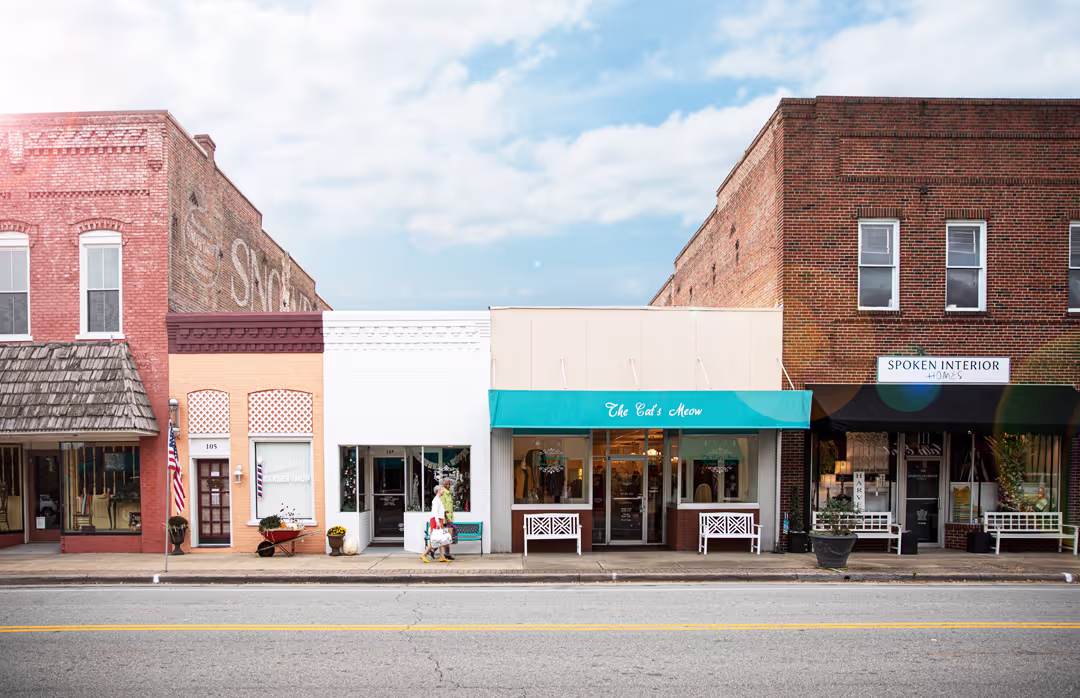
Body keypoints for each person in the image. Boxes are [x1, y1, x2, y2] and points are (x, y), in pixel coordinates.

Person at [420, 486, 451, 563]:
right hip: (436, 521)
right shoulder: (436, 500)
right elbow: (434, 512)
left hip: (438, 520)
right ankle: (424, 554)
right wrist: (437, 522)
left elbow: (438, 512)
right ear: (438, 491)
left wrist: (444, 512)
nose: (443, 490)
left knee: (441, 539)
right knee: (435, 539)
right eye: (441, 489)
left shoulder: (438, 500)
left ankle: (442, 557)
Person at [440, 478, 455, 560]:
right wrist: (447, 518)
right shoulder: (443, 494)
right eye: (446, 484)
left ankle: (433, 550)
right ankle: (433, 549)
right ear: (443, 485)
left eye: (449, 484)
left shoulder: (449, 493)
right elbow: (442, 508)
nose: (448, 485)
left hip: (449, 518)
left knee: (447, 536)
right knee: (446, 536)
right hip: (446, 519)